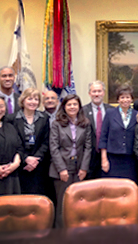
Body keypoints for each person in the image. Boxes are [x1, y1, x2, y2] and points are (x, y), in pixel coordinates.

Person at [49, 94, 92, 228]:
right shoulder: (57, 124)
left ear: (79, 106)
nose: (72, 107)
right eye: (69, 105)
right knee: (63, 203)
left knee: (79, 202)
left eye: (75, 104)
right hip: (61, 168)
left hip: (79, 166)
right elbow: (54, 147)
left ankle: (78, 233)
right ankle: (61, 234)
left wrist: (84, 168)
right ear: (64, 107)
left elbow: (88, 147)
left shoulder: (85, 123)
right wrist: (61, 169)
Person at [6, 88, 50, 195]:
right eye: (30, 99)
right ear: (23, 100)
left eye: (36, 99)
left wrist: (36, 159)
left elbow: (46, 141)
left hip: (38, 165)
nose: (33, 102)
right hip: (20, 165)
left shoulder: (44, 118)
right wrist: (25, 158)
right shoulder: (11, 119)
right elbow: (12, 142)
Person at [100, 84, 138, 183]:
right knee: (112, 188)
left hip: (130, 160)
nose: (125, 100)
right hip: (113, 159)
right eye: (122, 97)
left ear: (131, 99)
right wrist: (104, 159)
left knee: (129, 188)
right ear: (118, 100)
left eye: (127, 97)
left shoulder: (137, 115)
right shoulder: (110, 113)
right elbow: (103, 137)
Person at [83, 81, 114, 179]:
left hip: (109, 155)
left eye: (99, 91)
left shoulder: (112, 110)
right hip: (89, 156)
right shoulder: (82, 111)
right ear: (89, 93)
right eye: (94, 91)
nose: (97, 94)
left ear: (104, 93)